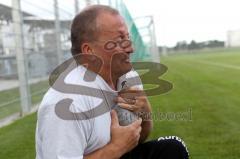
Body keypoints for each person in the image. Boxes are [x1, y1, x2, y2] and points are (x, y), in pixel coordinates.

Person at [35, 5, 189, 159]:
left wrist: (145, 112)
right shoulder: (66, 102)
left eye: (128, 38)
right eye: (120, 40)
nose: (131, 48)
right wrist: (115, 148)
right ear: (89, 51)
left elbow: (137, 139)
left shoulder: (128, 78)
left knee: (172, 148)